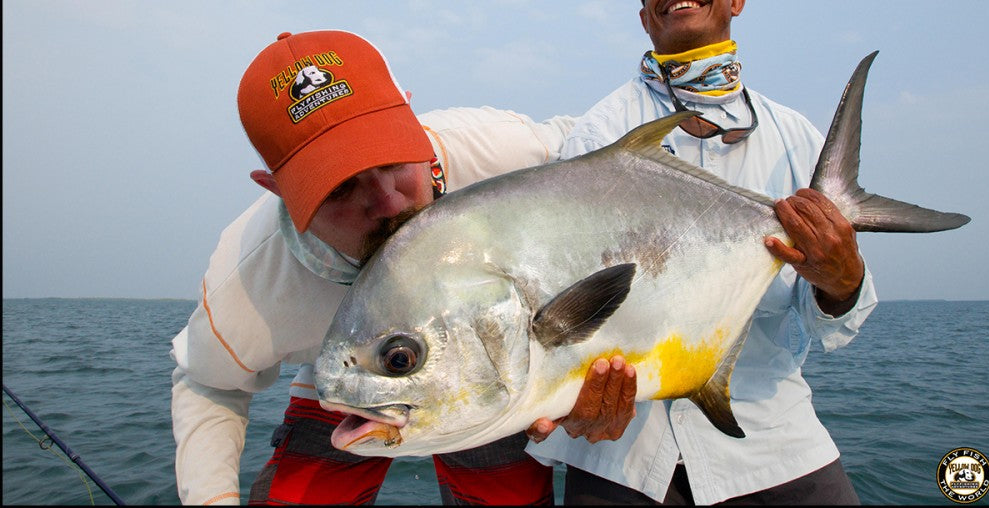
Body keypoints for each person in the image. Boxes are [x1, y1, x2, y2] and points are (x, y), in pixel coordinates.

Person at [170, 29, 638, 505]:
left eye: (393, 160)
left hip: (486, 351)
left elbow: (612, 154)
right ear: (275, 190)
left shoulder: (503, 152)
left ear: (411, 115)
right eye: (339, 190)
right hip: (357, 376)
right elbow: (209, 384)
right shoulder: (250, 283)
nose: (387, 201)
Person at [526, 0, 875, 505]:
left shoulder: (792, 136)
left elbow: (828, 324)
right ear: (644, 16)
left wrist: (842, 281)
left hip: (773, 442)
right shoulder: (600, 133)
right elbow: (564, 296)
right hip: (621, 452)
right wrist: (563, 393)